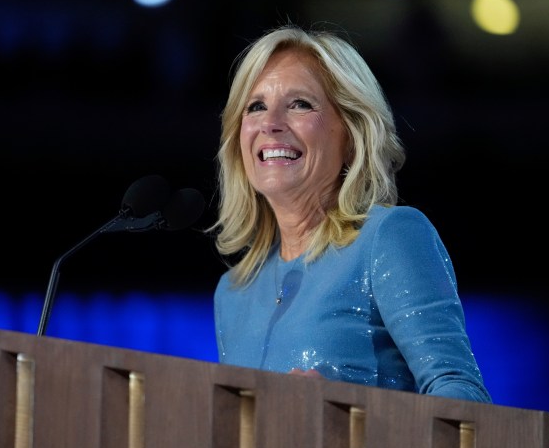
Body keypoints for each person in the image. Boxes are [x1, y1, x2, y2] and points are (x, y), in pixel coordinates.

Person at [206, 22, 491, 403]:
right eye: (256, 107)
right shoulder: (234, 292)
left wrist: (347, 412)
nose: (270, 124)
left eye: (299, 104)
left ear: (352, 131)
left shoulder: (389, 237)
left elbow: (464, 399)